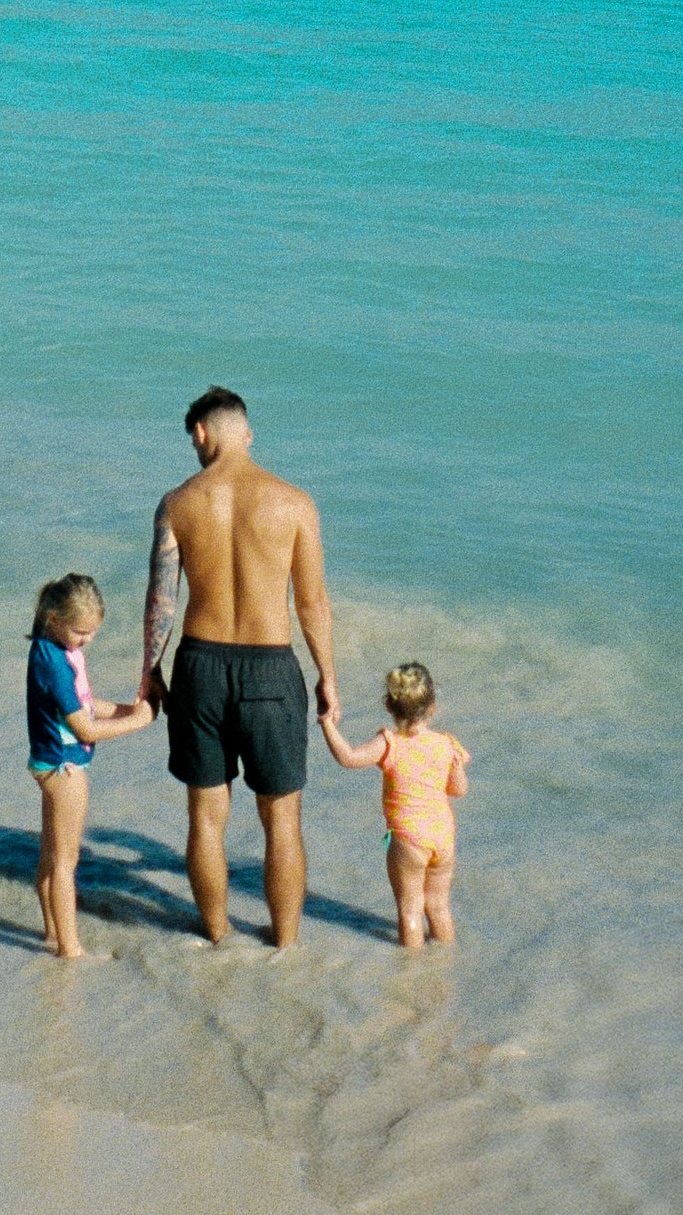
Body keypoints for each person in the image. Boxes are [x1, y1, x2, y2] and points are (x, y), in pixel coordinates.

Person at [140, 389, 337, 950]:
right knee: (281, 821)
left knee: (206, 817)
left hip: (200, 665)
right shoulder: (294, 503)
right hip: (272, 670)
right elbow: (313, 603)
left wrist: (150, 670)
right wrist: (328, 676)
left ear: (201, 433)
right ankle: (287, 946)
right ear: (246, 433)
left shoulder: (177, 503)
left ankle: (217, 939)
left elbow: (161, 601)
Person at [26, 571, 156, 960]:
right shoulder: (54, 663)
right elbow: (85, 727)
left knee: (51, 856)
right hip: (63, 767)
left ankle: (52, 933)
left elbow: (87, 704)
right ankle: (71, 949)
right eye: (81, 632)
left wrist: (128, 708)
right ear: (55, 619)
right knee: (66, 863)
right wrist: (139, 722)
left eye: (93, 632)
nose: (88, 641)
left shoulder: (56, 651)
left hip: (49, 762)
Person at [320, 660, 468, 947]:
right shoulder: (447, 743)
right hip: (443, 836)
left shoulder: (390, 743)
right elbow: (458, 790)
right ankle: (446, 961)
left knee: (409, 908)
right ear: (432, 707)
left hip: (408, 838)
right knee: (438, 906)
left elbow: (349, 758)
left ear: (389, 705)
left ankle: (411, 972)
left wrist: (327, 725)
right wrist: (458, 767)